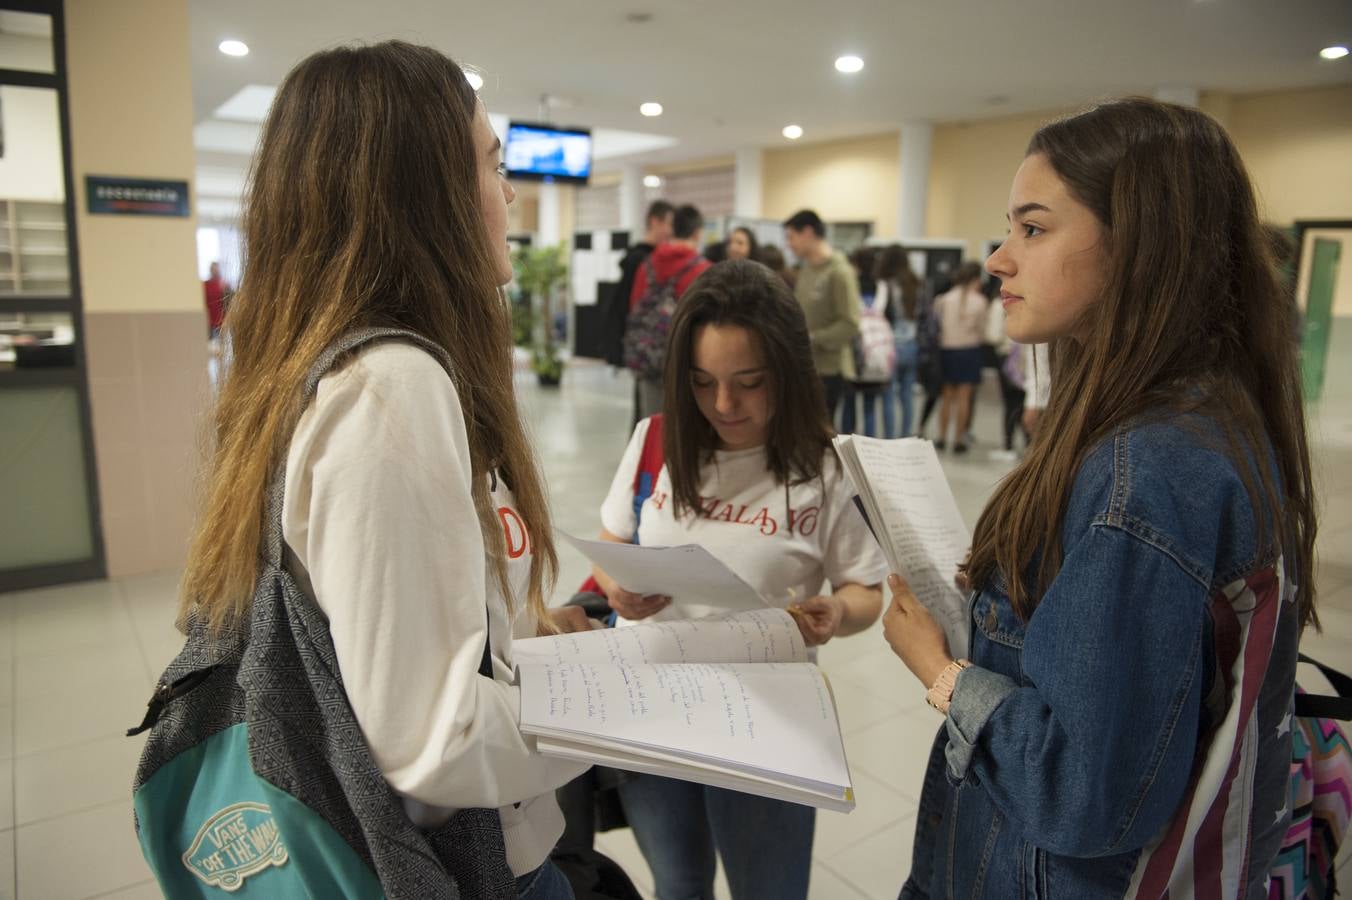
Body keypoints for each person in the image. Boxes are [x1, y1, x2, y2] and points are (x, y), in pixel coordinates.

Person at [177, 42, 596, 899]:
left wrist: (538, 638)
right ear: (421, 192)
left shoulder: (317, 364)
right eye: (491, 163)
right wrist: (629, 718)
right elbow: (431, 738)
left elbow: (387, 627)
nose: (509, 192)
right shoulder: (390, 385)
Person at [885, 98, 1316, 899]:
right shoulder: (1196, 411)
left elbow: (1079, 792)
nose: (998, 260)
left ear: (1141, 247)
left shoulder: (1145, 465)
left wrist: (940, 672)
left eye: (1034, 228)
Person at [591, 260, 887, 900]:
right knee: (677, 883)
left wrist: (837, 612)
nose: (723, 405)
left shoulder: (824, 467)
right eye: (702, 383)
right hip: (655, 705)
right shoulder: (655, 441)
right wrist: (616, 588)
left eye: (748, 383)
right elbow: (612, 544)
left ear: (787, 372)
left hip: (768, 723)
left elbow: (867, 592)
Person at [628, 203, 712, 420]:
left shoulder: (647, 265)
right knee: (687, 427)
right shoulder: (703, 270)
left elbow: (635, 307)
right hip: (689, 362)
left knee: (654, 424)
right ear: (697, 232)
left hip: (650, 359)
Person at [784, 209, 860, 426]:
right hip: (808, 366)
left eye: (792, 237)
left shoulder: (839, 272)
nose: (789, 244)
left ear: (807, 232)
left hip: (830, 370)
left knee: (821, 432)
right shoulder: (807, 270)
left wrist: (813, 338)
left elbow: (850, 323)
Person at [605, 200, 673, 373]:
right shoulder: (640, 260)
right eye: (668, 224)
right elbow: (626, 303)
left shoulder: (646, 257)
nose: (671, 231)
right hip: (643, 338)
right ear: (654, 221)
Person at [932, 261, 988, 452]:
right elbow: (982, 332)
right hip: (969, 350)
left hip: (947, 350)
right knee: (964, 398)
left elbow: (937, 327)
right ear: (976, 278)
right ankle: (958, 440)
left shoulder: (943, 299)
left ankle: (941, 437)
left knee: (946, 397)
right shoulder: (980, 301)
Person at [875, 244, 923, 437]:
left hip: (890, 346)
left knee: (888, 394)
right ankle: (906, 435)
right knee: (907, 394)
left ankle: (889, 437)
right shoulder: (917, 283)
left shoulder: (885, 284)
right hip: (912, 345)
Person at [841, 246, 890, 436]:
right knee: (870, 406)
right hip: (876, 354)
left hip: (854, 351)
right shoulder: (883, 287)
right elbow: (890, 317)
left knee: (849, 403)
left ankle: (847, 443)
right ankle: (869, 446)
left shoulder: (850, 284)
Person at [203, 261, 228, 338]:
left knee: (222, 345)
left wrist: (226, 319)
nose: (215, 271)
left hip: (221, 321)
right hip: (208, 321)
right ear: (211, 270)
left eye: (217, 269)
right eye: (213, 269)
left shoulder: (224, 284)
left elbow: (227, 304)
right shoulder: (205, 285)